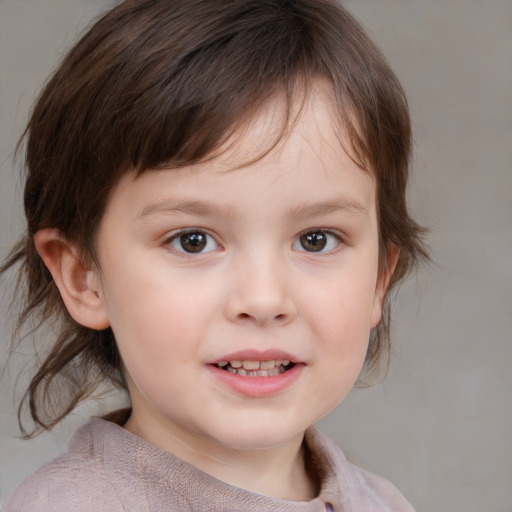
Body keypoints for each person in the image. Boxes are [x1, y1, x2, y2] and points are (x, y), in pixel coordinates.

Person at [1, 0, 428, 510]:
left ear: (379, 280)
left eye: (316, 239)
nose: (265, 299)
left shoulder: (383, 503)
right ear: (83, 278)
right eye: (193, 240)